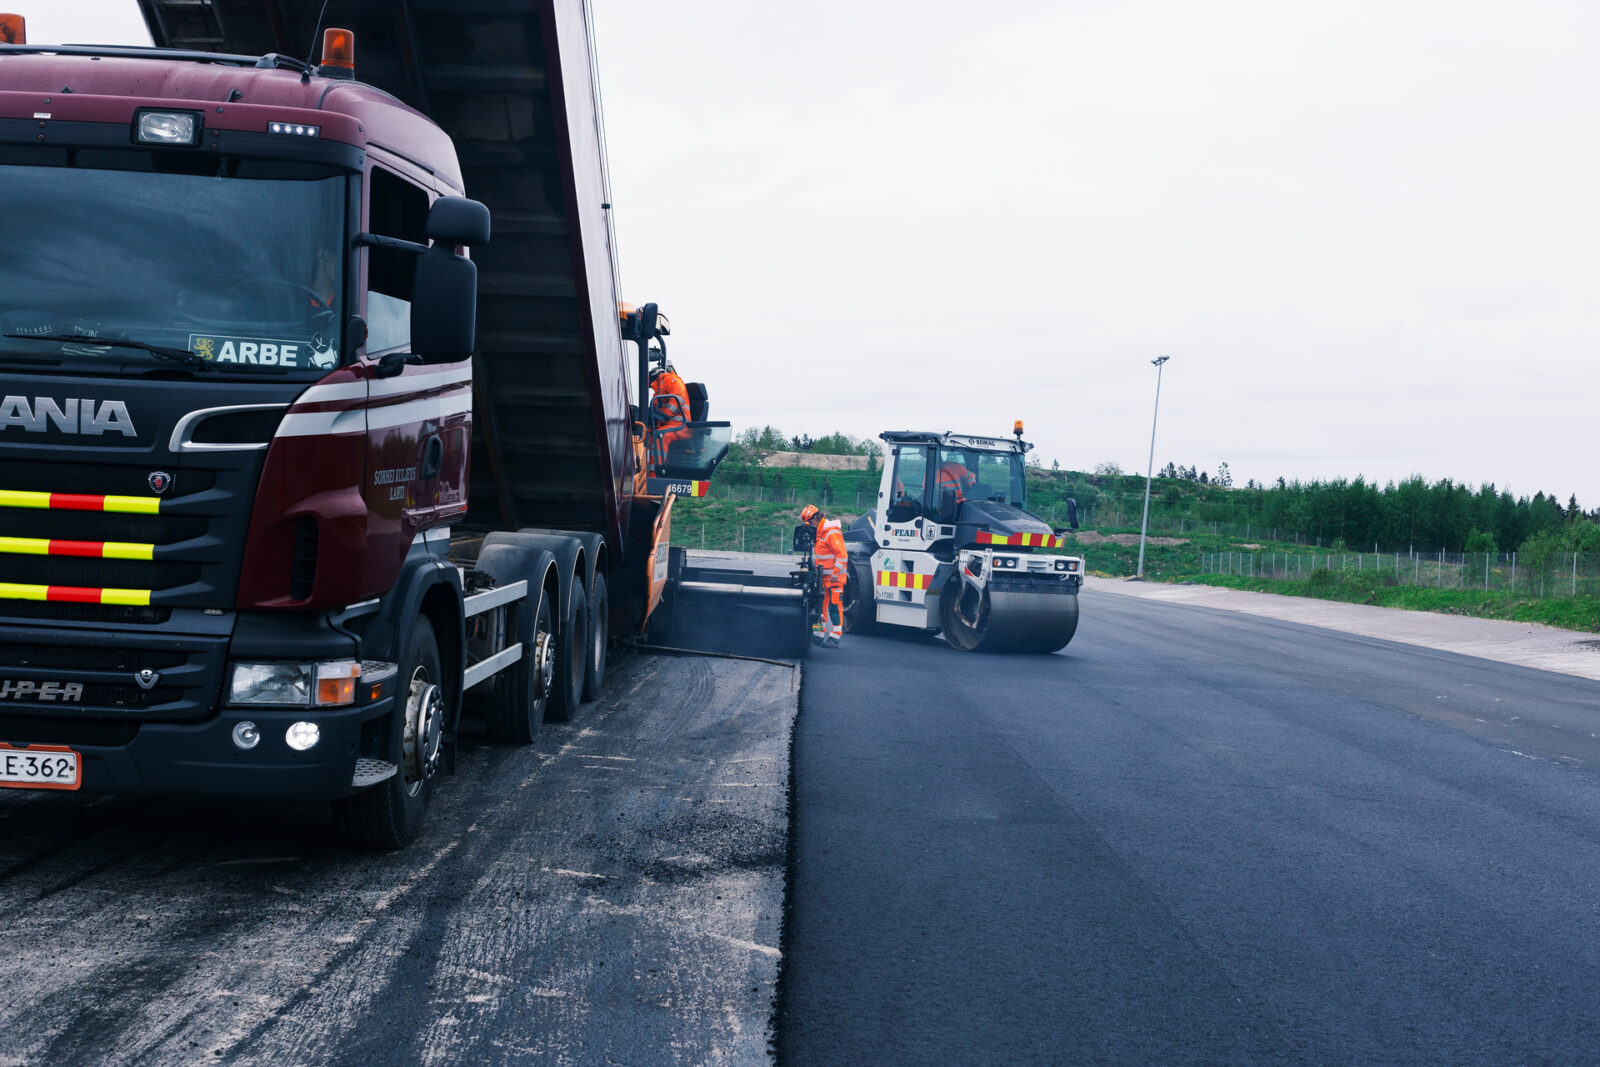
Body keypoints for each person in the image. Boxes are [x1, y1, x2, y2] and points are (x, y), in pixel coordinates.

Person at [802, 503, 848, 648]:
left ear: (815, 519)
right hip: (823, 578)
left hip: (834, 578)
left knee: (834, 606)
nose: (810, 526)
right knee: (820, 607)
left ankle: (835, 636)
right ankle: (818, 634)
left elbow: (842, 555)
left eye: (810, 523)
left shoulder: (831, 531)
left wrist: (835, 573)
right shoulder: (820, 533)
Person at [647, 364, 692, 474]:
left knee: (661, 436)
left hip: (681, 425)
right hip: (669, 424)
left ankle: (657, 473)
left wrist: (664, 414)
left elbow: (679, 398)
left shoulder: (671, 380)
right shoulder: (657, 394)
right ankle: (645, 471)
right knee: (646, 434)